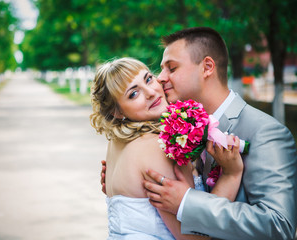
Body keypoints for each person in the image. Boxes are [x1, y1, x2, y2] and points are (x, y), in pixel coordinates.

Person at [142, 27, 297, 239]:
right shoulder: (180, 128)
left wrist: (187, 203)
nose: (160, 78)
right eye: (162, 69)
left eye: (172, 68)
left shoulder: (265, 132)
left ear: (207, 67)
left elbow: (279, 226)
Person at [91, 57, 244, 239]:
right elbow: (196, 237)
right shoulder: (156, 147)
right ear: (117, 112)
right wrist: (231, 174)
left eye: (148, 79)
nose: (150, 92)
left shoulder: (116, 143)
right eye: (133, 94)